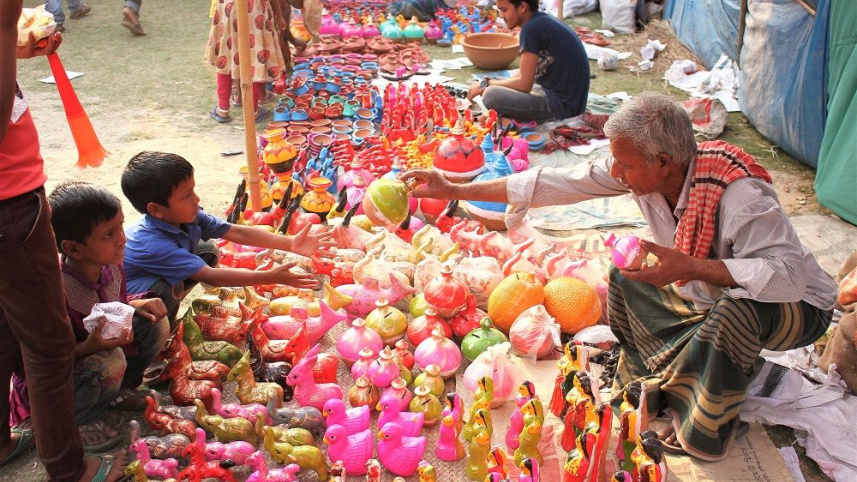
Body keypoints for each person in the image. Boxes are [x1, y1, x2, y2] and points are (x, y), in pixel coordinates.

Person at [401, 92, 837, 460]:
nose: (615, 172)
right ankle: (674, 374)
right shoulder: (645, 174)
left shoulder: (740, 194)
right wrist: (455, 189)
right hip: (712, 293)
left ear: (662, 161)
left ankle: (705, 427)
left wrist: (689, 267)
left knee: (734, 311)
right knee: (626, 278)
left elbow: (785, 279)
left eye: (623, 164)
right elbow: (552, 181)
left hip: (797, 307)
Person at [1, 1, 127, 480]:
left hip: (10, 204)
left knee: (6, 333)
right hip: (10, 208)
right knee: (48, 348)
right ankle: (68, 470)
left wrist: (15, 48)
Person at [10, 182, 170, 451]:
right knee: (110, 359)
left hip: (98, 363)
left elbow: (109, 305)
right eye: (108, 234)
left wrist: (134, 303)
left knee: (153, 322)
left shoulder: (111, 267)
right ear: (73, 249)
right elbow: (34, 363)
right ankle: (75, 420)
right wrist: (88, 347)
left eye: (120, 225)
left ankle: (116, 393)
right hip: (63, 380)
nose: (122, 238)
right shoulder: (53, 293)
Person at [121, 151, 333, 320]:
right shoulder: (154, 245)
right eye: (186, 196)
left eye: (193, 190)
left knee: (208, 249)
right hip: (130, 296)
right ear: (156, 209)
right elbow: (213, 277)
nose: (196, 199)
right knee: (159, 293)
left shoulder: (185, 217)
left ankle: (171, 301)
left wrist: (290, 243)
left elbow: (235, 230)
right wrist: (271, 276)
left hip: (158, 269)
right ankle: (158, 327)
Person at [466, 0, 589, 122]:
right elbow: (523, 74)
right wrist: (489, 82)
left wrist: (487, 85)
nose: (501, 16)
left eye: (504, 10)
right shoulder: (540, 21)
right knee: (496, 83)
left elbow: (524, 85)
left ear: (522, 7)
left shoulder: (531, 28)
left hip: (563, 106)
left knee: (490, 94)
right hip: (567, 99)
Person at [206, 0, 285, 123]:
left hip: (228, 6)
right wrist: (279, 16)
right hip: (254, 10)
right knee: (255, 56)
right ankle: (252, 111)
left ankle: (222, 109)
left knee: (226, 54)